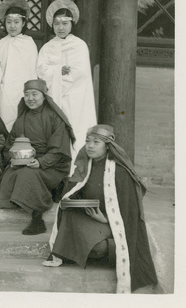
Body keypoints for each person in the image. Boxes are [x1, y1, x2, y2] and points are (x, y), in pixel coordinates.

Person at [44, 125, 158, 293]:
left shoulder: (120, 172)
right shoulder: (85, 166)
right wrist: (73, 199)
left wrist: (105, 219)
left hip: (112, 223)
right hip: (90, 217)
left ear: (107, 145)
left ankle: (105, 247)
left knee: (99, 249)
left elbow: (129, 213)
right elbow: (72, 193)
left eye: (96, 142)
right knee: (68, 215)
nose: (90, 146)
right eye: (87, 141)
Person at [0, 79, 75, 235]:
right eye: (26, 95)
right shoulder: (22, 119)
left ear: (44, 96)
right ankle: (42, 193)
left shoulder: (55, 118)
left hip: (52, 165)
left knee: (27, 175)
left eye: (34, 94)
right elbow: (10, 144)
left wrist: (40, 162)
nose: (30, 98)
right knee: (8, 177)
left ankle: (37, 219)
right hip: (27, 161)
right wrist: (13, 158)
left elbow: (59, 149)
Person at [36, 0, 97, 164]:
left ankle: (76, 170)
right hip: (54, 98)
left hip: (75, 98)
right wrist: (58, 71)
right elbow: (41, 71)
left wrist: (58, 73)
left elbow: (81, 73)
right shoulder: (47, 47)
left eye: (64, 23)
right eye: (56, 24)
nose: (60, 27)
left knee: (75, 131)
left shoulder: (79, 46)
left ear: (72, 24)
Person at [0, 0, 38, 132]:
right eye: (9, 22)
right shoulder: (0, 45)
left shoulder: (29, 44)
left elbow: (33, 71)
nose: (12, 26)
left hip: (21, 92)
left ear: (23, 23)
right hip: (3, 95)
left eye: (16, 22)